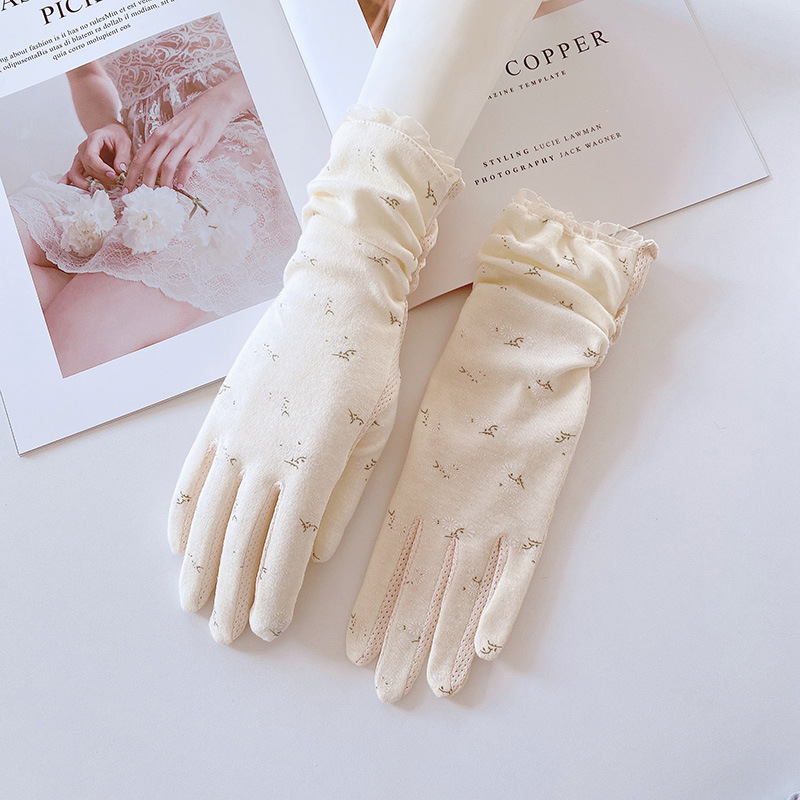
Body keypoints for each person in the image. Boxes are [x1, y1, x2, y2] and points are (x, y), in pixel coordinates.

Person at [9, 14, 298, 377]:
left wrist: (226, 98)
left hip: (238, 134)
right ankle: (94, 290)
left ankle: (100, 299)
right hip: (135, 164)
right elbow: (86, 73)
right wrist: (109, 125)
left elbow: (305, 33)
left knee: (61, 355)